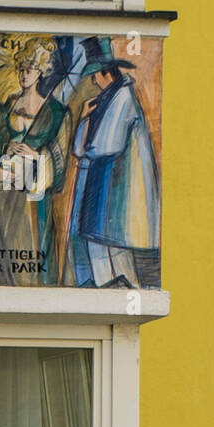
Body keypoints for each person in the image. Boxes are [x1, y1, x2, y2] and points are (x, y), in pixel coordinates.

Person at [63, 37, 160, 289]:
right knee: (102, 261)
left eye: (95, 75)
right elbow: (80, 149)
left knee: (115, 266)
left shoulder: (122, 98)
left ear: (107, 73)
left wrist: (86, 136)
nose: (93, 81)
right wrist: (84, 120)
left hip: (116, 201)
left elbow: (103, 146)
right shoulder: (108, 99)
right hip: (103, 200)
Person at [0, 41, 70, 285]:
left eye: (29, 68)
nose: (23, 74)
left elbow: (60, 158)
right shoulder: (5, 108)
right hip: (4, 195)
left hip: (34, 196)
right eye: (20, 68)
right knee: (5, 246)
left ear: (40, 72)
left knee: (33, 248)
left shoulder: (56, 112)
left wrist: (36, 156)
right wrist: (4, 148)